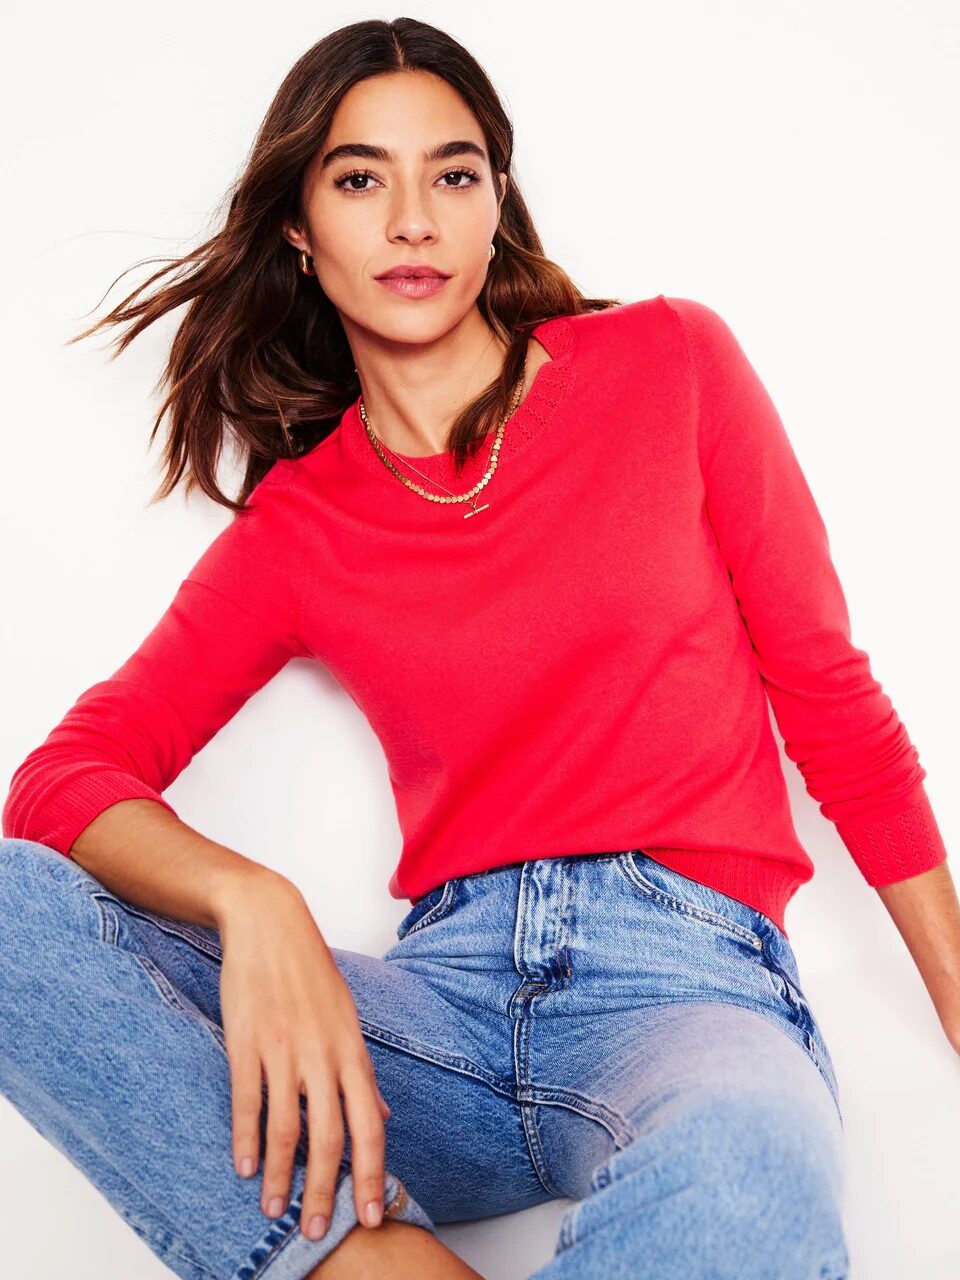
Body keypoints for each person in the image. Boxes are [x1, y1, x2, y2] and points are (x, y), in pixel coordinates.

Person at [1, 17, 955, 1280]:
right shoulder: (304, 523)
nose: (413, 220)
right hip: (433, 1017)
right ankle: (360, 1258)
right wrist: (252, 896)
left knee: (747, 1179)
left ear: (496, 200)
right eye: (359, 178)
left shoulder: (668, 363)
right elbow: (63, 781)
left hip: (685, 986)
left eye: (452, 174)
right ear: (300, 224)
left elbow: (830, 698)